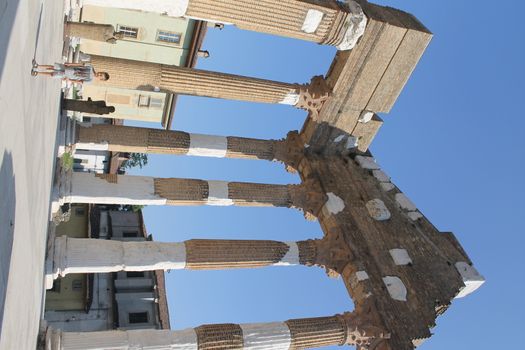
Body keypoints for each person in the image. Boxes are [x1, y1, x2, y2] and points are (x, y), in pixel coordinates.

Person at [31, 60, 109, 84]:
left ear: (100, 79)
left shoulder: (90, 80)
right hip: (69, 68)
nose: (99, 74)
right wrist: (70, 64)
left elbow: (80, 81)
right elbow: (81, 64)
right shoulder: (91, 67)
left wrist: (70, 80)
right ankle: (37, 66)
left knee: (52, 74)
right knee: (53, 67)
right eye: (101, 73)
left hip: (69, 76)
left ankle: (37, 73)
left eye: (100, 76)